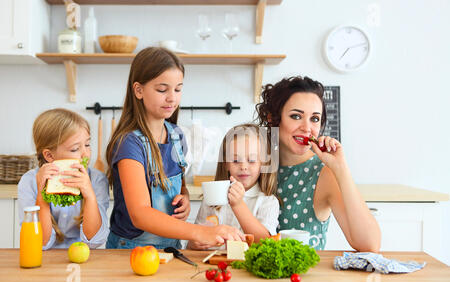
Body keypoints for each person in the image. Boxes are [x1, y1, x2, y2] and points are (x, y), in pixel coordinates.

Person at [105, 47, 244, 249]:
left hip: (171, 246)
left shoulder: (177, 136)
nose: (172, 97)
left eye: (178, 89)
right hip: (131, 249)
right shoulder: (129, 143)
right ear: (138, 90)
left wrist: (185, 200)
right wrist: (202, 232)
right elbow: (140, 214)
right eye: (162, 90)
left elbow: (180, 187)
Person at [255, 75, 381, 252]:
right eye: (296, 116)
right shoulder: (252, 164)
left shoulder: (323, 174)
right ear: (272, 118)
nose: (307, 128)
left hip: (304, 278)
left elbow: (370, 245)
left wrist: (340, 168)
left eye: (314, 119)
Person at [18, 108, 110, 249]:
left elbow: (94, 241)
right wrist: (42, 198)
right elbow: (40, 243)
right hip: (44, 260)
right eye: (75, 149)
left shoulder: (97, 179)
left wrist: (90, 196)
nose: (85, 154)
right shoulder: (29, 182)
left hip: (85, 258)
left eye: (87, 145)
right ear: (49, 156)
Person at [190, 124, 280, 249]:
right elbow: (192, 242)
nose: (243, 166)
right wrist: (195, 243)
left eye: (252, 160)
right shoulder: (211, 199)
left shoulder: (268, 202)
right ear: (226, 163)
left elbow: (266, 242)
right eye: (235, 160)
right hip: (212, 265)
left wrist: (238, 205)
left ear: (263, 164)